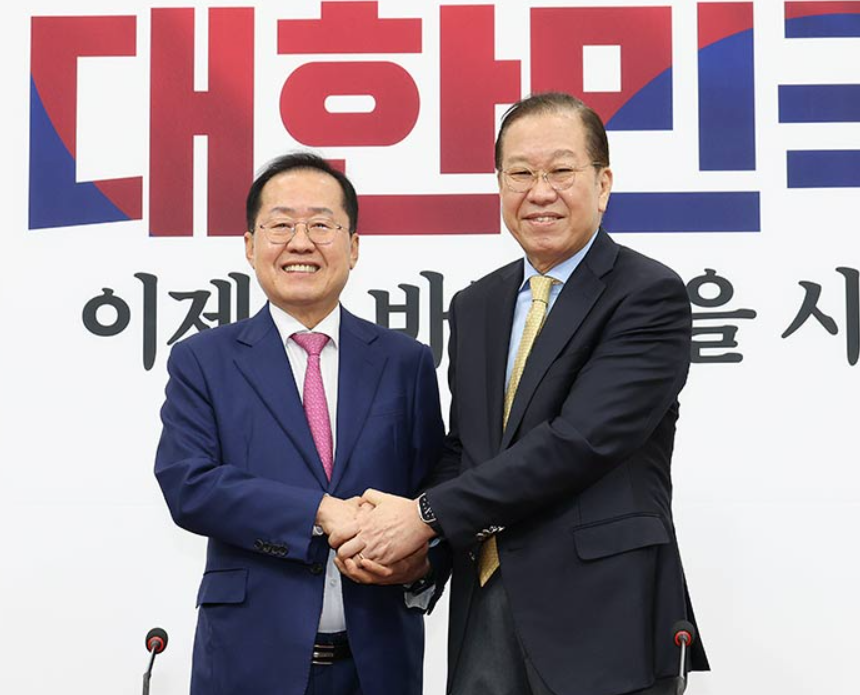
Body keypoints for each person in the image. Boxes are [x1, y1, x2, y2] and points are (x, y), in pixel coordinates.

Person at [341, 93, 709, 695]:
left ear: (603, 183)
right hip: (484, 608)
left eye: (561, 170)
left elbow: (580, 441)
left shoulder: (647, 294)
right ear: (499, 184)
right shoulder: (476, 304)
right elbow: (466, 450)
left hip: (604, 617)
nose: (540, 192)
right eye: (520, 174)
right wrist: (421, 548)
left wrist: (426, 516)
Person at [154, 152, 444, 695]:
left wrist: (422, 563)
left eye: (321, 225)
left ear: (353, 246)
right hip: (248, 663)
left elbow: (437, 487)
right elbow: (188, 483)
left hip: (379, 664)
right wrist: (318, 511)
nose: (301, 242)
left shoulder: (406, 362)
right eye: (281, 225)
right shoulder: (204, 360)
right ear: (250, 245)